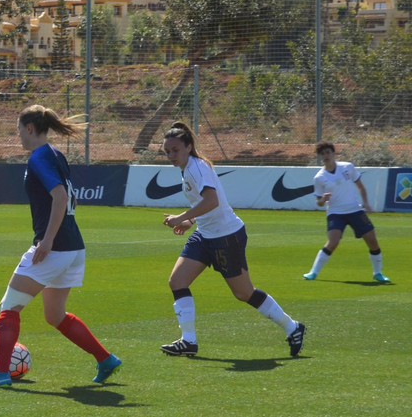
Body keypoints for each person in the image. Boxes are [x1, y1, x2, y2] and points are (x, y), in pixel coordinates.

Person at [0, 105, 122, 388]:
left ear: (29, 128)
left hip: (55, 248)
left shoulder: (38, 157)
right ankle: (106, 359)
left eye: (18, 130)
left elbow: (61, 197)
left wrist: (48, 239)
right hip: (73, 247)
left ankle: (0, 374)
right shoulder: (55, 154)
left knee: (9, 306)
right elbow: (71, 197)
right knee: (55, 315)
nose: (18, 136)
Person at [159, 121, 305, 358]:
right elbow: (205, 203)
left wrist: (181, 217)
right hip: (205, 234)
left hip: (226, 236)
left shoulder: (196, 167)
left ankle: (293, 327)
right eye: (167, 151)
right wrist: (191, 221)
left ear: (188, 147)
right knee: (177, 281)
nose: (171, 156)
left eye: (175, 150)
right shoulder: (188, 168)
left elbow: (212, 201)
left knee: (244, 293)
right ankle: (189, 341)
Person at [304, 142, 389, 282]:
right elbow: (318, 202)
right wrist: (323, 199)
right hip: (335, 213)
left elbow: (360, 186)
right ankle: (313, 272)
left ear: (334, 153)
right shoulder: (319, 177)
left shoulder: (347, 167)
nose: (325, 156)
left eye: (328, 152)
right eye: (322, 154)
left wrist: (366, 202)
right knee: (332, 242)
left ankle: (378, 273)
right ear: (320, 157)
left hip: (355, 210)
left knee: (372, 241)